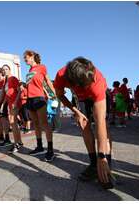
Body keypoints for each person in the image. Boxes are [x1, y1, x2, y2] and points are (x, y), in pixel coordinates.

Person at [54, 57, 113, 189]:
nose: (89, 83)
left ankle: (105, 163)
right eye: (86, 84)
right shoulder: (61, 75)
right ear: (75, 83)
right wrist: (75, 111)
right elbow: (60, 95)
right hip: (81, 98)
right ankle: (93, 165)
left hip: (98, 95)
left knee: (103, 126)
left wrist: (102, 156)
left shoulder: (96, 81)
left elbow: (100, 123)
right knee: (84, 125)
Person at [24, 50, 56, 162]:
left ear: (32, 56)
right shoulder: (29, 70)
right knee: (36, 124)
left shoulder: (42, 67)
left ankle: (51, 150)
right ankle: (39, 147)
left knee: (44, 123)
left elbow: (47, 81)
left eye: (26, 57)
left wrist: (54, 94)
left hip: (39, 98)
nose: (25, 59)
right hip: (29, 99)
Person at [0, 64, 23, 153]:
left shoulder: (13, 78)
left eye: (6, 69)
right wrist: (2, 105)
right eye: (3, 69)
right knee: (14, 124)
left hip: (15, 103)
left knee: (12, 123)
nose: (5, 70)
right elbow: (7, 94)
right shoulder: (5, 82)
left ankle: (16, 144)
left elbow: (19, 90)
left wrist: (15, 102)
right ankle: (19, 142)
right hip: (10, 104)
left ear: (9, 70)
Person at [0, 68, 11, 146]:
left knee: (4, 120)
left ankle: (7, 139)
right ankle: (1, 136)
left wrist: (2, 103)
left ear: (0, 73)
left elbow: (4, 93)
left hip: (3, 102)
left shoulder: (4, 80)